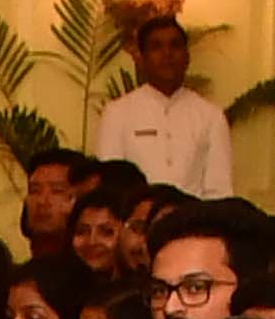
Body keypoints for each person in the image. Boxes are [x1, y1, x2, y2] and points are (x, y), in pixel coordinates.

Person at [91, 14, 232, 200]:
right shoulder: (117, 113)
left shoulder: (211, 116)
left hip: (194, 216)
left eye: (175, 45)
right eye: (156, 47)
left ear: (187, 57)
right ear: (140, 59)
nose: (167, 54)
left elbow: (219, 191)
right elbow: (111, 187)